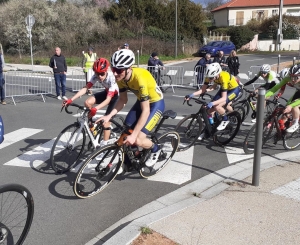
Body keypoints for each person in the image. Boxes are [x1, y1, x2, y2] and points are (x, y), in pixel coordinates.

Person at [95, 49, 165, 170]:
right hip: (142, 102)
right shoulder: (121, 78)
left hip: (155, 104)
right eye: (113, 69)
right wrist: (109, 116)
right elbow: (122, 100)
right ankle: (131, 160)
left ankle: (155, 149)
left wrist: (135, 135)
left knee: (137, 139)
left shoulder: (140, 78)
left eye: (119, 70)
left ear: (129, 68)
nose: (115, 74)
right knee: (125, 131)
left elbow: (146, 110)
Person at [63, 58, 119, 147]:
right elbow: (86, 88)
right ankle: (93, 125)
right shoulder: (96, 76)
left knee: (106, 122)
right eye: (97, 74)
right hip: (107, 92)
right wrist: (71, 99)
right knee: (87, 102)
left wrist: (95, 109)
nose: (99, 76)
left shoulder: (112, 78)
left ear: (106, 71)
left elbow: (108, 99)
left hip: (115, 97)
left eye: (102, 74)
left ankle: (104, 146)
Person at [185, 62, 241, 133]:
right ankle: (212, 127)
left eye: (211, 78)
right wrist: (191, 95)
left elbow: (223, 98)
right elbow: (202, 89)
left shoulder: (223, 78)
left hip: (234, 90)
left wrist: (212, 103)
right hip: (225, 89)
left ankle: (225, 119)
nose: (210, 79)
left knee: (216, 106)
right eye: (209, 78)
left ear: (217, 74)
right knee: (209, 111)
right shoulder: (210, 76)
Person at [266, 64, 300, 133]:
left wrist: (291, 106)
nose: (293, 80)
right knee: (286, 108)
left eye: (296, 77)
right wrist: (263, 96)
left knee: (294, 106)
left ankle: (296, 123)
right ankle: (282, 130)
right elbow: (275, 88)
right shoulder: (288, 78)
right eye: (291, 77)